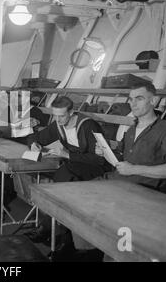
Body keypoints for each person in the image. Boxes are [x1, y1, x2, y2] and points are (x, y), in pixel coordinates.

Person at [56, 82, 166, 262]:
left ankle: (93, 250)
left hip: (141, 189)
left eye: (139, 98)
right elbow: (120, 158)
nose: (133, 104)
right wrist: (104, 152)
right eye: (131, 99)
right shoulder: (131, 130)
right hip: (117, 181)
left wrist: (134, 169)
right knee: (76, 194)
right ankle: (85, 248)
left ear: (154, 100)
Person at [23, 96, 112, 250]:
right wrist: (34, 144)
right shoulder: (58, 124)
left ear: (71, 112)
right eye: (55, 115)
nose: (58, 119)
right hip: (75, 166)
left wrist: (67, 155)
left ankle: (54, 230)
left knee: (64, 175)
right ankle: (57, 231)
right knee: (62, 178)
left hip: (95, 168)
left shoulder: (88, 125)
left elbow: (99, 160)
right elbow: (35, 137)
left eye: (62, 116)